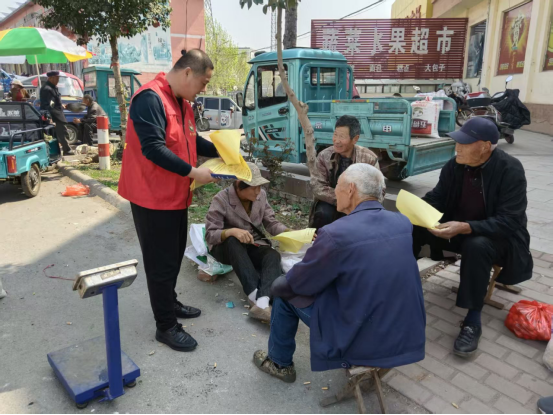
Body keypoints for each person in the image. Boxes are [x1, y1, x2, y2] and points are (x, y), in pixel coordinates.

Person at [253, 164, 426, 383]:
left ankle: (279, 363)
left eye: (337, 185)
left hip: (364, 338)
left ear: (351, 189)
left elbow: (299, 282)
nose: (334, 191)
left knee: (285, 295)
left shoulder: (336, 233)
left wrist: (277, 285)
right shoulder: (402, 223)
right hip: (406, 333)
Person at [118, 49, 219, 353]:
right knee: (160, 264)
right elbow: (153, 148)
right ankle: (165, 326)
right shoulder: (149, 99)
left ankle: (169, 302)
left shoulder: (182, 102)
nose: (203, 89)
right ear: (187, 72)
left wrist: (223, 151)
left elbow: (190, 140)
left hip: (176, 195)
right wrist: (195, 172)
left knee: (173, 256)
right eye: (203, 82)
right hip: (151, 198)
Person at [413, 117, 533, 358]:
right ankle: (400, 288)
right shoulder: (455, 165)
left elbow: (510, 221)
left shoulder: (510, 169)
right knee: (412, 227)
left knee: (476, 245)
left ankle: (472, 320)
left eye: (464, 143)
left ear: (485, 146)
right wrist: (416, 210)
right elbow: (438, 197)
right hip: (459, 230)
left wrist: (466, 227)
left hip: (500, 239)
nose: (457, 148)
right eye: (457, 142)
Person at [206, 163, 288, 322]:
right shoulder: (221, 199)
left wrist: (289, 232)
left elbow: (270, 222)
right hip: (227, 249)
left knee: (272, 255)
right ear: (239, 185)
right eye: (254, 187)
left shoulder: (261, 196)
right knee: (233, 241)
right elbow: (210, 234)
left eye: (259, 187)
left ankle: (262, 303)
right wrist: (231, 231)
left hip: (252, 244)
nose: (258, 191)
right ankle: (254, 295)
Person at [309, 115, 380, 230]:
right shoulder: (324, 155)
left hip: (357, 204)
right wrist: (343, 199)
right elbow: (317, 186)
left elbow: (379, 191)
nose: (336, 140)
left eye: (342, 136)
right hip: (330, 200)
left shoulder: (368, 159)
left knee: (353, 223)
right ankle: (319, 240)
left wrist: (354, 202)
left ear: (355, 139)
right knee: (322, 214)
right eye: (335, 135)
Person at [40, 71, 73, 156]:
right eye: (57, 78)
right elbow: (50, 104)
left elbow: (54, 100)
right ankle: (67, 150)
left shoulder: (53, 87)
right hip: (54, 114)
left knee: (61, 132)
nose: (58, 80)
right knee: (62, 132)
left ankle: (64, 149)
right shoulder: (47, 89)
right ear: (51, 78)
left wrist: (61, 105)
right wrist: (50, 117)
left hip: (57, 112)